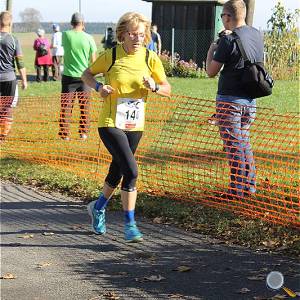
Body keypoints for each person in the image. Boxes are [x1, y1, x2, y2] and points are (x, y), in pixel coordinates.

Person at [81, 12, 171, 242]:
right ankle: (130, 224)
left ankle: (98, 207)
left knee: (117, 170)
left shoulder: (151, 58)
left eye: (141, 34)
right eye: (132, 34)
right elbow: (87, 74)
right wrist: (99, 87)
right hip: (110, 123)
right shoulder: (111, 56)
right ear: (122, 34)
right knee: (131, 171)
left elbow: (167, 89)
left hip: (135, 125)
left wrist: (154, 86)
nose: (137, 38)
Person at [206, 0, 264, 198]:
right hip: (250, 100)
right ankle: (249, 187)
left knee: (234, 146)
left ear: (227, 17)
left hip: (229, 101)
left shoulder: (228, 41)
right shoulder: (256, 34)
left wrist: (211, 51)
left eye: (223, 16)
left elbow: (211, 72)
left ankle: (236, 191)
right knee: (244, 143)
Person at [58, 12, 97, 141]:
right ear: (83, 24)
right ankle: (83, 133)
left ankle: (65, 134)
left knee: (66, 106)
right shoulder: (89, 38)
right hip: (85, 77)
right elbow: (93, 60)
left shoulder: (65, 35)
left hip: (68, 76)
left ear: (71, 23)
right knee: (84, 106)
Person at [0, 11, 27, 141]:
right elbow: (20, 62)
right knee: (7, 107)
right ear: (10, 23)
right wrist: (24, 80)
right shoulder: (13, 39)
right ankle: (3, 135)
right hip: (9, 78)